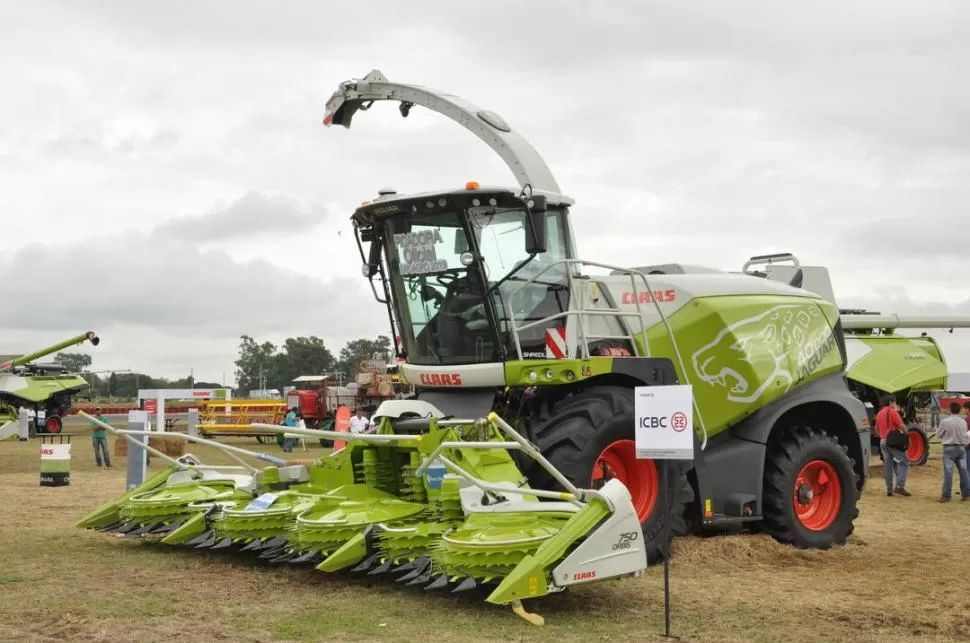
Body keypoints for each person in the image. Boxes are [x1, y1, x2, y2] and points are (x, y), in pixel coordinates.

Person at [875, 395, 910, 497]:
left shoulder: (879, 413)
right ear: (891, 403)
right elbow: (901, 425)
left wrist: (882, 435)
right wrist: (907, 434)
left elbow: (876, 430)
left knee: (888, 465)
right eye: (894, 402)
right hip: (892, 441)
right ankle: (899, 486)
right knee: (903, 461)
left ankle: (889, 489)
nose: (895, 404)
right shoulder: (892, 412)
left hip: (882, 441)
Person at [935, 401, 970, 502]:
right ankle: (966, 494)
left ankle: (946, 495)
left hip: (949, 448)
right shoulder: (963, 422)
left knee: (948, 472)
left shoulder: (945, 422)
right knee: (964, 472)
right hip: (961, 448)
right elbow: (965, 435)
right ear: (959, 410)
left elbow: (940, 434)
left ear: (950, 410)